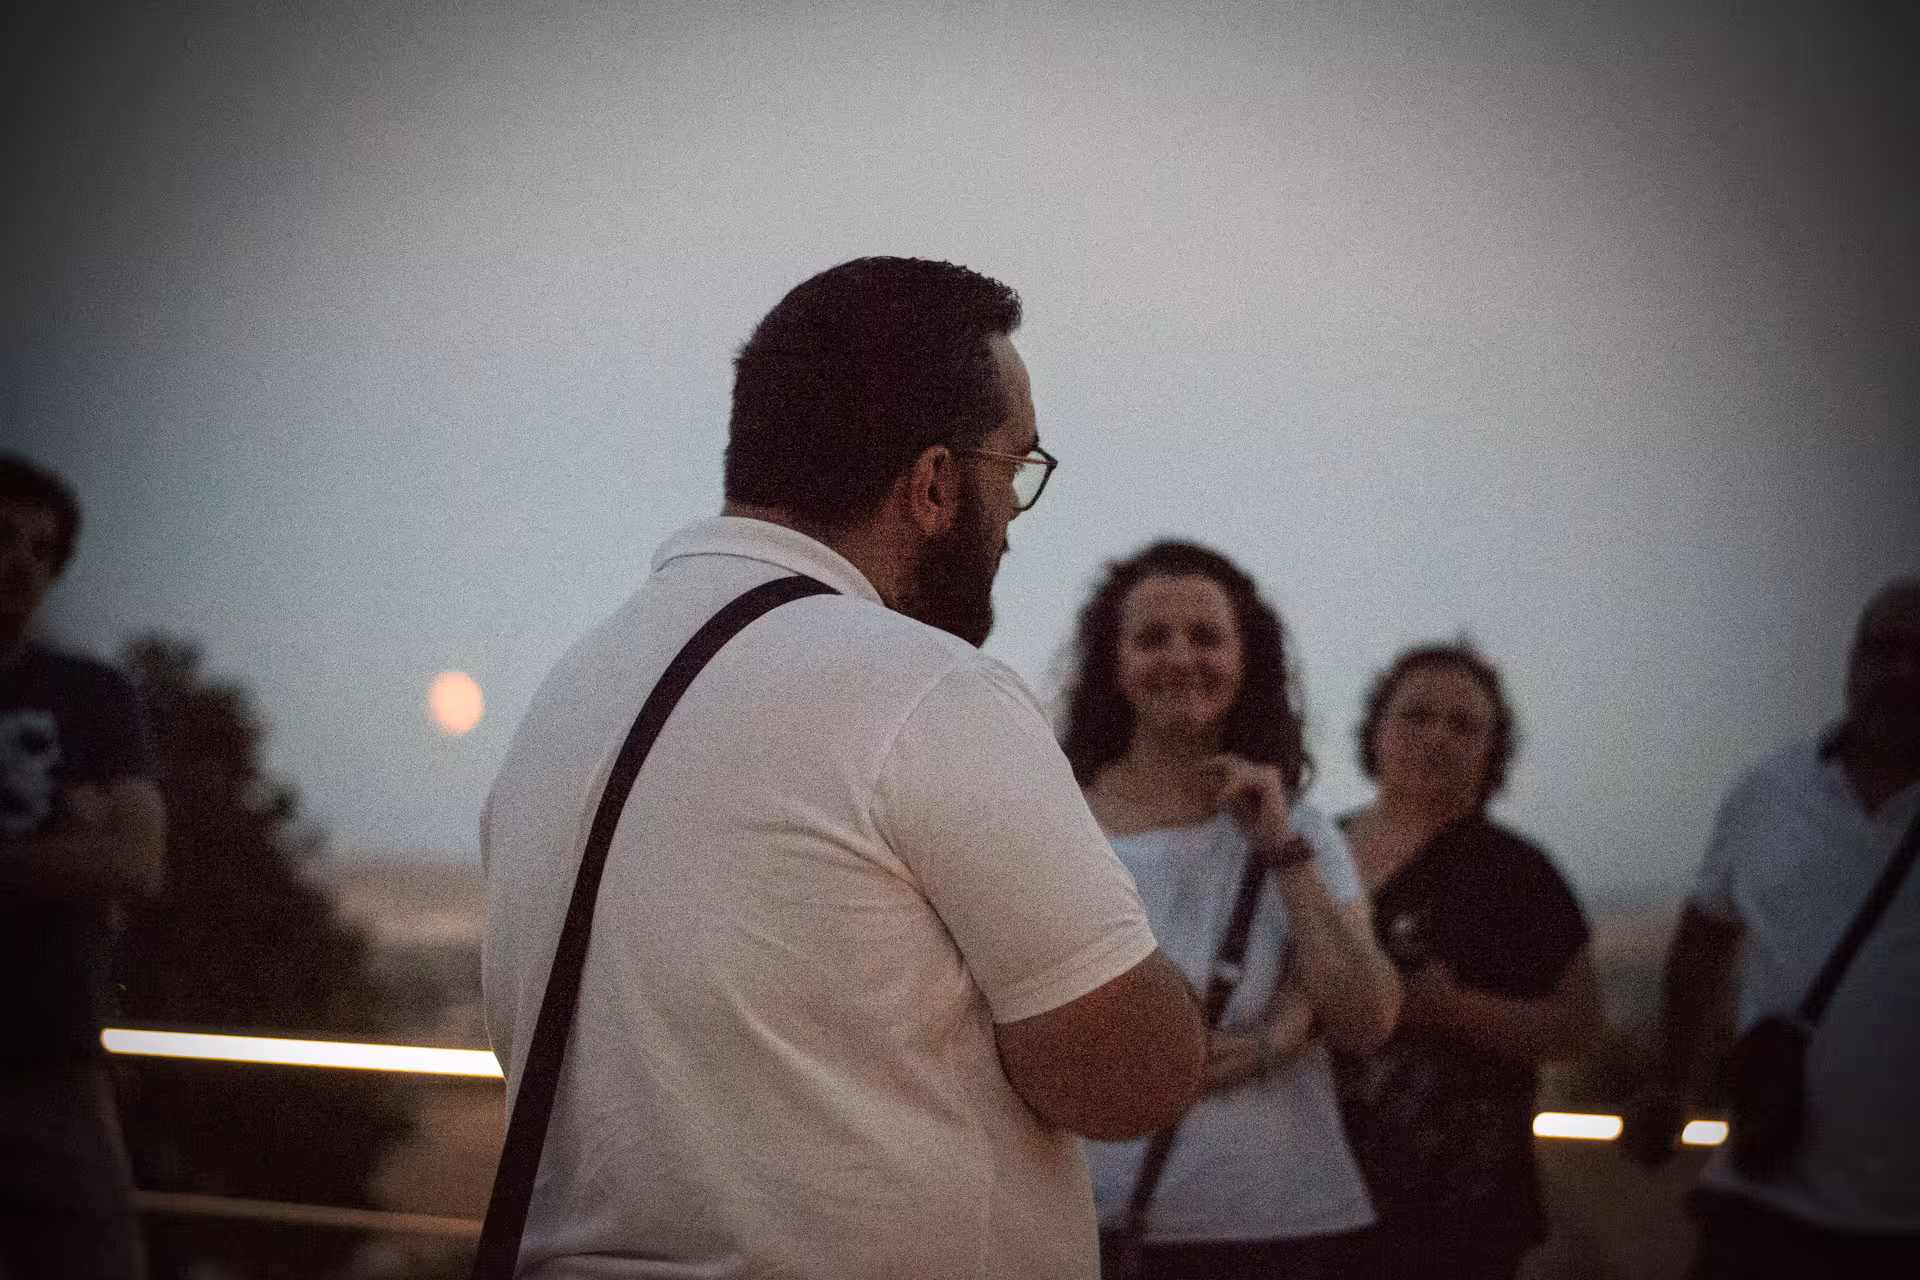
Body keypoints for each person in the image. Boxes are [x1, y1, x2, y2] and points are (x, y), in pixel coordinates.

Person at [481, 258, 1205, 1279]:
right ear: (936, 483)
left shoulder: (571, 693)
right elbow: (1132, 1076)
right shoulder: (930, 692)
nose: (1012, 517)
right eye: (1014, 467)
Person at [1062, 540, 1402, 1279]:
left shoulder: (1300, 831)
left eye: (1206, 637)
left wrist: (1280, 848)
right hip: (1080, 1218)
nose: (1180, 657)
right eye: (1153, 638)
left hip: (1272, 1224)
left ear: (1247, 661)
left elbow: (1367, 1020)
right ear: (1113, 664)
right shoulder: (1055, 822)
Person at [1622, 579, 1920, 1278]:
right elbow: (1704, 937)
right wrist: (1673, 1085)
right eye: (1885, 650)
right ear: (1852, 661)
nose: (1903, 672)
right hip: (1763, 1202)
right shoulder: (1771, 791)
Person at [1335, 642, 1605, 1280]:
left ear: (1492, 751)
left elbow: (1580, 1028)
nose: (1438, 737)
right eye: (1417, 716)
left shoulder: (1520, 875)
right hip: (1309, 1199)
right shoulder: (1316, 852)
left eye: (1464, 725)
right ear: (1376, 730)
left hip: (1462, 1219)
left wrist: (1452, 1010)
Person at [0, 455, 166, 1279]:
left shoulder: (91, 694)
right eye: (3, 539)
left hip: (53, 1064)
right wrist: (67, 846)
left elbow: (137, 860)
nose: (20, 565)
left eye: (41, 549)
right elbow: (106, 856)